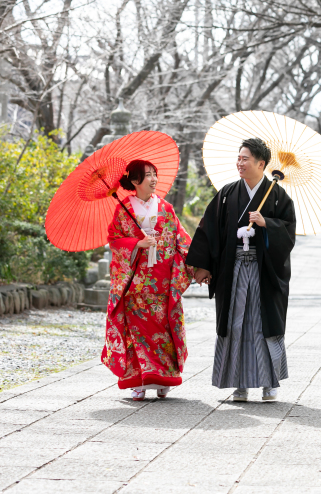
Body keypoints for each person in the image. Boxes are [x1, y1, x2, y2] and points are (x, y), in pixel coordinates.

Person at [186, 138, 296, 402]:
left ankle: (270, 383)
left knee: (262, 324)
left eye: (245, 159)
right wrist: (203, 266)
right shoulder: (227, 194)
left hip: (263, 271)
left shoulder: (278, 195)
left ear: (261, 163)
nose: (240, 163)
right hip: (233, 268)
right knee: (235, 324)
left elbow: (288, 232)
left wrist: (267, 222)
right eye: (239, 158)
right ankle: (239, 383)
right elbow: (208, 229)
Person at [102, 159, 194, 401]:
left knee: (163, 329)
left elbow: (181, 239)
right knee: (137, 331)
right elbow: (114, 239)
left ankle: (163, 376)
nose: (154, 179)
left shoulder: (165, 207)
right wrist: (136, 243)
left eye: (155, 174)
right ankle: (139, 380)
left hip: (162, 280)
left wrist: (197, 266)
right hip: (135, 282)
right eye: (148, 175)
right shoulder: (123, 209)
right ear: (135, 181)